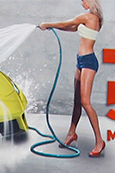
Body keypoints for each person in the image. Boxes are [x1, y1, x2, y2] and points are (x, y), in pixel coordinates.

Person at [40, 0, 105, 157]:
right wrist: (52, 27)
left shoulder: (89, 17)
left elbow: (65, 23)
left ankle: (100, 141)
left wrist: (47, 24)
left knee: (85, 102)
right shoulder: (90, 19)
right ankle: (71, 134)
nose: (81, 2)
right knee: (77, 101)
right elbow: (72, 28)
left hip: (89, 61)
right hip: (81, 60)